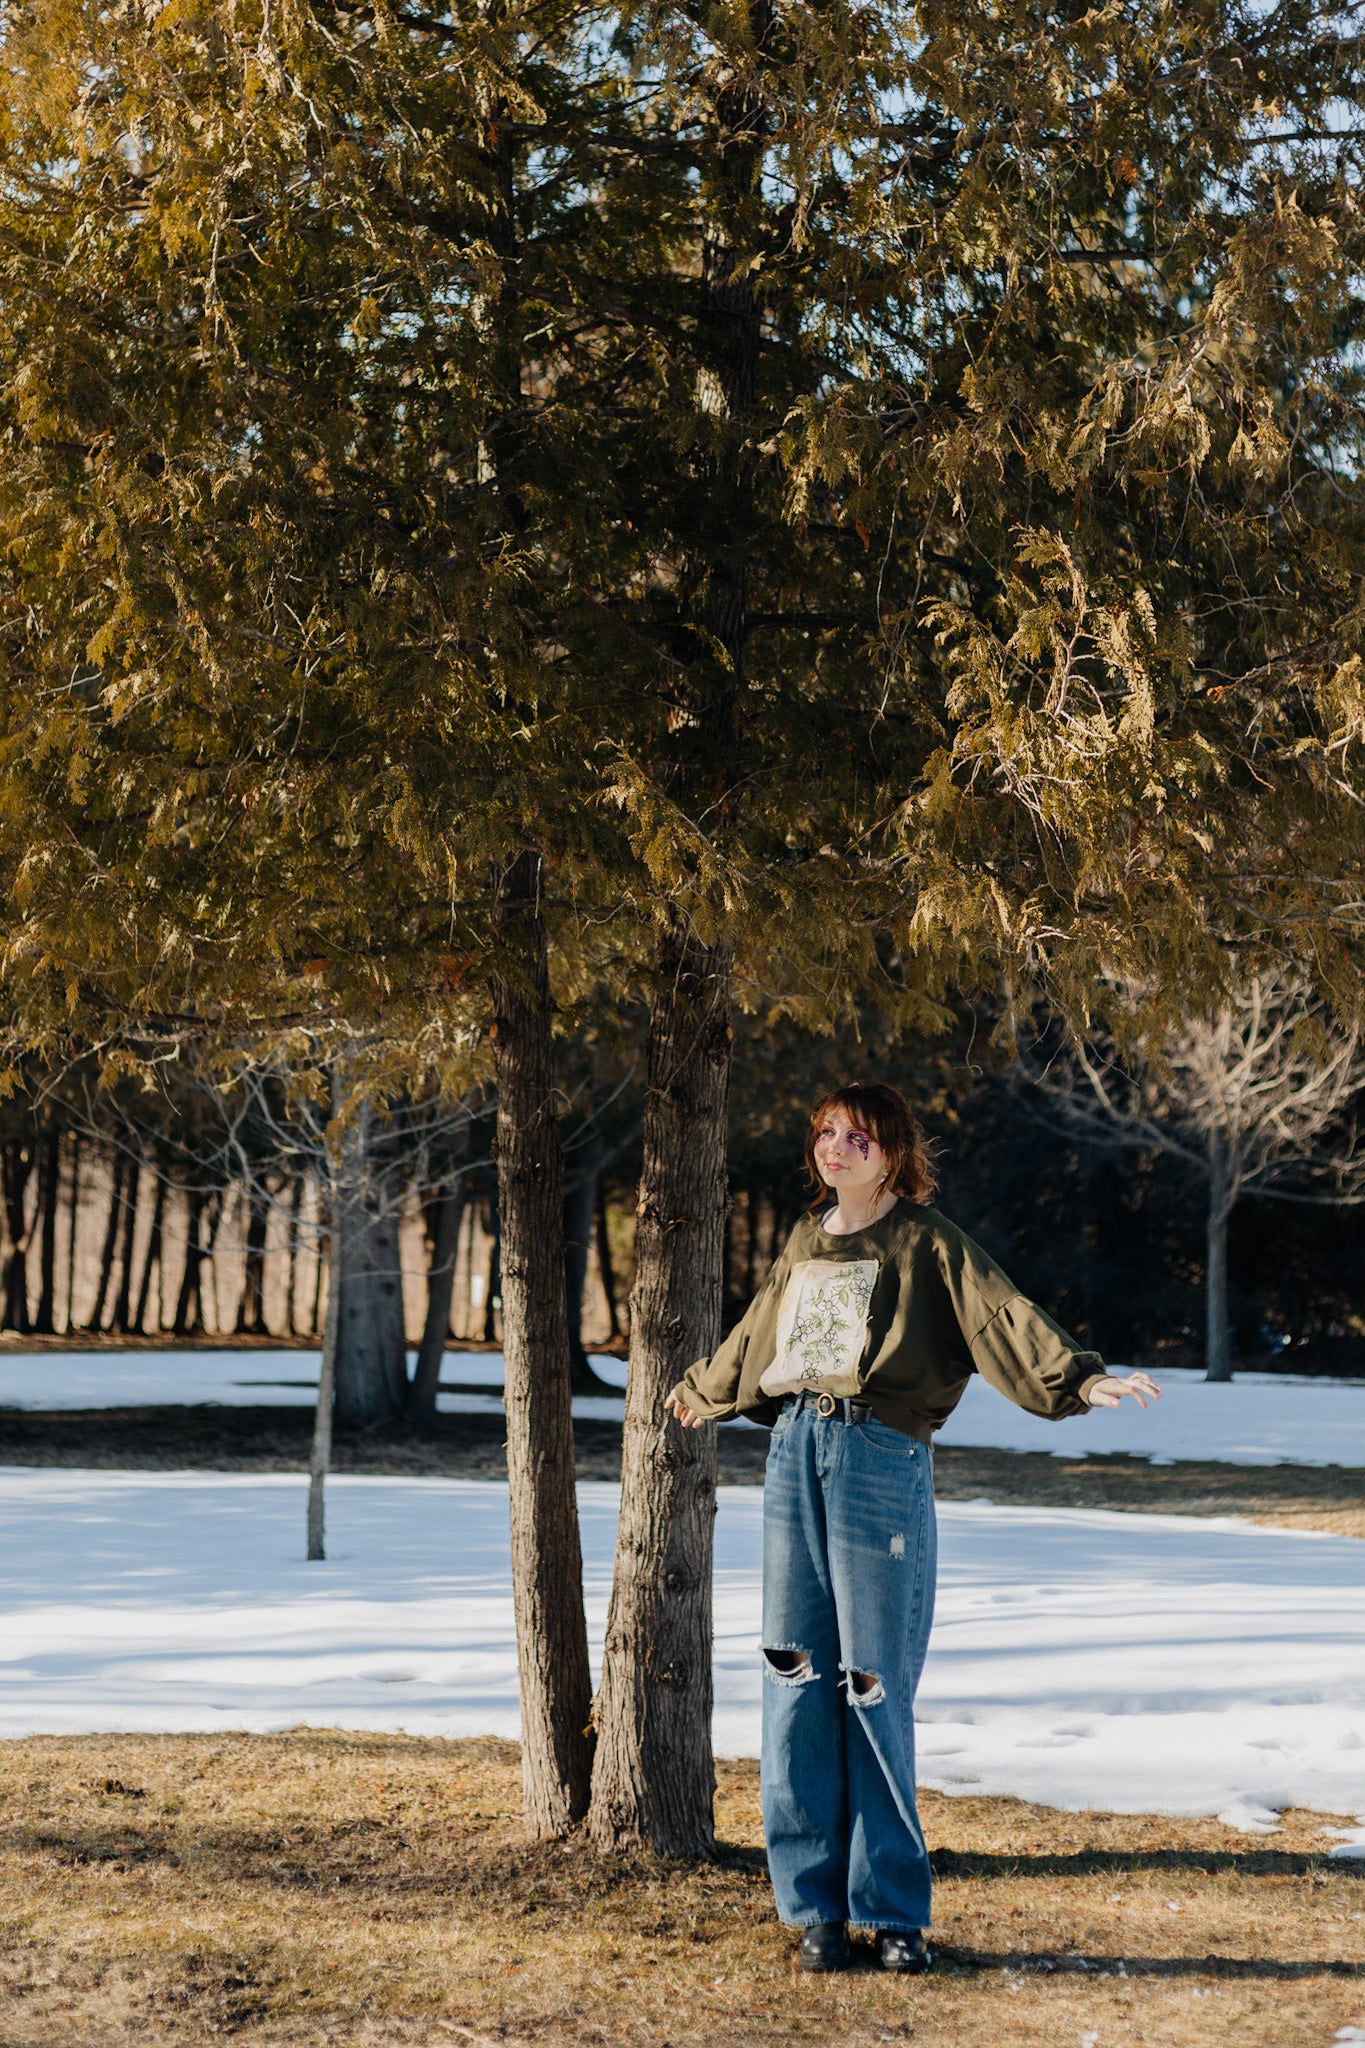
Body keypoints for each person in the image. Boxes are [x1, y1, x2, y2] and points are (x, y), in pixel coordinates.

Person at [665, 1081, 1159, 1975]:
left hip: (876, 1463)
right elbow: (759, 1332)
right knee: (794, 1673)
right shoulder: (805, 1240)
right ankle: (813, 1910)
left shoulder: (927, 1241)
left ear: (892, 1152)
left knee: (870, 1683)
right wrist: (706, 1388)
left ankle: (893, 1912)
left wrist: (1079, 1379)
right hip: (793, 1456)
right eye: (825, 1134)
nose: (836, 1149)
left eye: (857, 1137)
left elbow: (998, 1314)